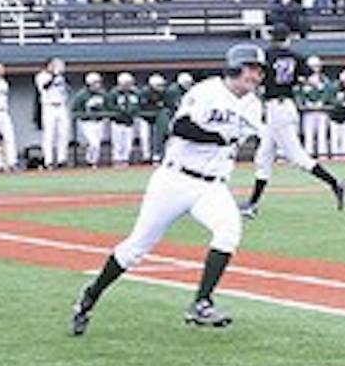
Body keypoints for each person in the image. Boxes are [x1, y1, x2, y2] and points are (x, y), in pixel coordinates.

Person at [70, 45, 268, 334]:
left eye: (260, 71)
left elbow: (257, 134)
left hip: (212, 185)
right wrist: (217, 137)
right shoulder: (206, 91)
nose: (256, 75)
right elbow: (181, 128)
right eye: (252, 68)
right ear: (236, 67)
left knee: (229, 230)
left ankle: (201, 303)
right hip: (175, 180)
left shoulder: (253, 104)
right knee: (136, 248)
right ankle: (89, 298)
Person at [239, 25, 345, 219]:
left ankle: (335, 183)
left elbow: (256, 79)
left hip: (276, 107)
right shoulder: (295, 56)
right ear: (287, 38)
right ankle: (252, 204)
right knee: (263, 158)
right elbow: (311, 80)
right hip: (286, 104)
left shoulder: (266, 56)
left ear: (272, 38)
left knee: (297, 157)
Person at [35, 58, 72, 169]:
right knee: (49, 134)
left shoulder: (61, 77)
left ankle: (62, 159)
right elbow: (45, 87)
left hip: (61, 106)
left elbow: (68, 88)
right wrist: (55, 76)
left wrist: (62, 77)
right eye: (54, 65)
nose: (57, 67)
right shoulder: (41, 76)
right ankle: (48, 161)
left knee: (63, 133)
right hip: (48, 106)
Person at [73, 72, 111, 167]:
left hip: (99, 121)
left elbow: (108, 106)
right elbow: (75, 109)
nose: (97, 85)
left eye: (98, 82)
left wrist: (104, 114)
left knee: (97, 143)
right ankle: (90, 161)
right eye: (95, 83)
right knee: (93, 143)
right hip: (87, 123)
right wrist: (85, 115)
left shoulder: (103, 94)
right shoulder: (82, 95)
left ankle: (94, 162)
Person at [297, 60, 332, 157]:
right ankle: (308, 155)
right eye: (313, 66)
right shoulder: (303, 80)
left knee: (322, 134)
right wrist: (305, 102)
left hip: (322, 111)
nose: (315, 68)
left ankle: (323, 155)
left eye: (317, 66)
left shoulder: (324, 80)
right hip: (308, 111)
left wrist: (321, 101)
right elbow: (299, 93)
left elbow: (328, 91)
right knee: (308, 134)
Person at [107, 73, 142, 166]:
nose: (128, 85)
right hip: (117, 121)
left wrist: (131, 111)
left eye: (129, 83)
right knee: (118, 143)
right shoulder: (114, 93)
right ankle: (117, 160)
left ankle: (125, 160)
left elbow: (138, 105)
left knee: (128, 143)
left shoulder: (135, 93)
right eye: (125, 83)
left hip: (130, 122)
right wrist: (121, 111)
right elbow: (110, 106)